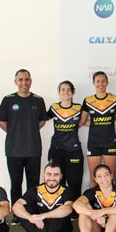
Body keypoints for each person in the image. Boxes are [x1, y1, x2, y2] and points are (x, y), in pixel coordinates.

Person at [0, 69, 48, 225]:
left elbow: (42, 121)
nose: (24, 83)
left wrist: (29, 131)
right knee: (16, 182)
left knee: (33, 183)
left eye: (26, 79)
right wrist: (15, 132)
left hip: (33, 148)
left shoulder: (38, 100)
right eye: (20, 80)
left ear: (31, 81)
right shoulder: (8, 100)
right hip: (13, 149)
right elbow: (1, 122)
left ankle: (31, 211)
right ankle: (18, 215)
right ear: (15, 82)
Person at [10, 163, 75, 232]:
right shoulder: (36, 190)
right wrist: (30, 217)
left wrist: (43, 216)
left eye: (56, 175)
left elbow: (68, 209)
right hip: (39, 226)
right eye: (49, 174)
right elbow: (16, 206)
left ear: (61, 176)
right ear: (44, 175)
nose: (52, 178)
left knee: (58, 213)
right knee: (24, 210)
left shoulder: (66, 191)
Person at [47, 80, 84, 213]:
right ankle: (58, 209)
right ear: (59, 92)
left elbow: (85, 122)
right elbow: (40, 119)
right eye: (63, 89)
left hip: (73, 149)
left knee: (75, 182)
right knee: (57, 181)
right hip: (56, 149)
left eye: (68, 90)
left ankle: (75, 211)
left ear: (73, 92)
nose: (66, 92)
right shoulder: (54, 108)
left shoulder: (79, 108)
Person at [81, 71, 116, 188]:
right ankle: (92, 205)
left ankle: (115, 205)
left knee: (112, 179)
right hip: (94, 143)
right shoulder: (88, 100)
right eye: (98, 81)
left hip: (109, 142)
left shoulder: (114, 99)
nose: (101, 84)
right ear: (93, 83)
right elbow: (82, 121)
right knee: (94, 179)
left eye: (103, 81)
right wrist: (95, 123)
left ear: (107, 83)